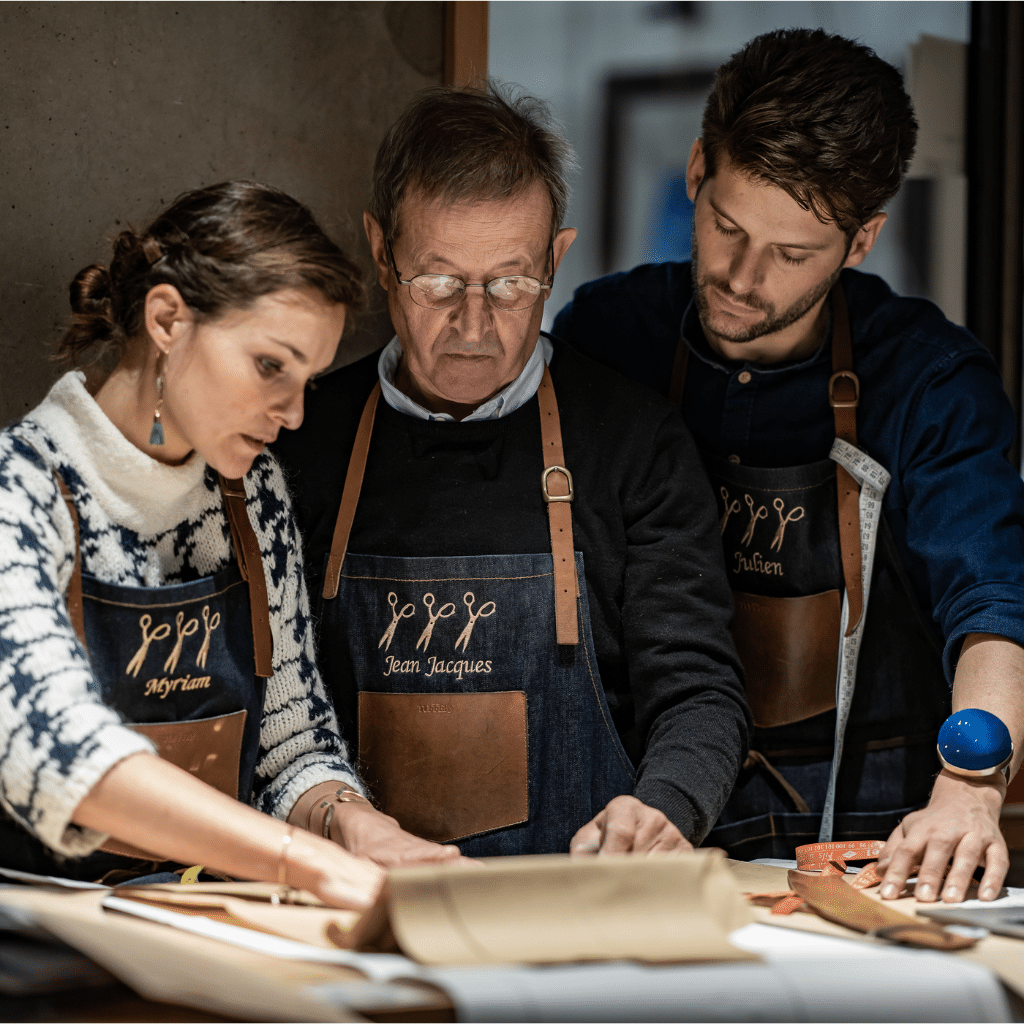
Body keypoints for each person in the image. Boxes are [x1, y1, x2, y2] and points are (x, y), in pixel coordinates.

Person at [553, 28, 1024, 902]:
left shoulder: (928, 379)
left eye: (792, 254)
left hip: (873, 839)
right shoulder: (606, 338)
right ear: (697, 168)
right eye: (725, 226)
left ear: (862, 239)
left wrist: (968, 789)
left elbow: (993, 603)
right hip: (644, 819)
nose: (739, 274)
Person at [273, 85, 750, 858]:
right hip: (354, 905)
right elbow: (272, 713)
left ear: (557, 260)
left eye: (510, 283)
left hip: (573, 906)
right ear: (379, 249)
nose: (473, 323)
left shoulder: (634, 441)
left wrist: (665, 808)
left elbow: (698, 692)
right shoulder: (298, 437)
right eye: (437, 282)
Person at [0, 180, 459, 900]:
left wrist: (350, 821)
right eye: (271, 366)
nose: (295, 413)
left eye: (307, 379)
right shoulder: (19, 490)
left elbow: (290, 745)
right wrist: (304, 862)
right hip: (39, 946)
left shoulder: (251, 496)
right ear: (166, 320)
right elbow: (67, 757)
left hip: (208, 919)